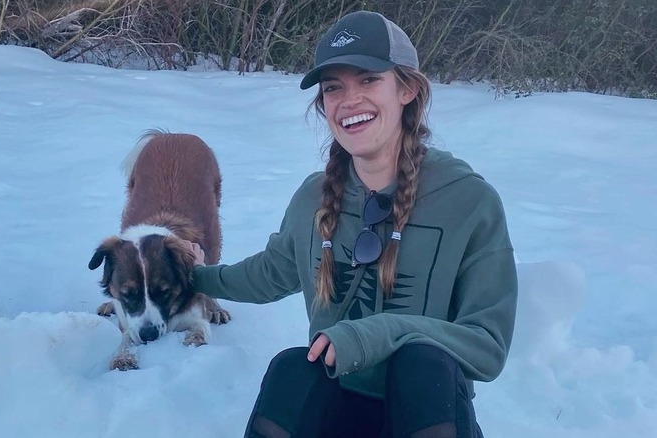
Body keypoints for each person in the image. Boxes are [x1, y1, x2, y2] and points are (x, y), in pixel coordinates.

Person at [188, 10, 517, 438]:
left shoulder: (468, 201)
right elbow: (271, 272)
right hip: (339, 410)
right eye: (333, 88)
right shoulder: (314, 197)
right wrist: (195, 276)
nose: (349, 100)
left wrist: (380, 333)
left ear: (407, 89)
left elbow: (487, 346)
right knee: (292, 369)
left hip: (427, 414)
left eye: (368, 79)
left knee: (422, 365)